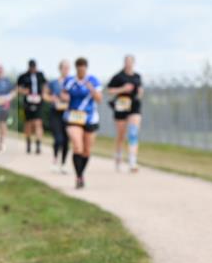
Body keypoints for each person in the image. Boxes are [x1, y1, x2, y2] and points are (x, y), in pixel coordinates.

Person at [61, 57, 102, 189]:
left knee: (87, 150)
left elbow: (99, 99)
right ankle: (78, 177)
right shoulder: (70, 81)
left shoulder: (93, 81)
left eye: (83, 68)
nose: (81, 70)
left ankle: (81, 173)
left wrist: (92, 89)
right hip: (73, 117)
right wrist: (64, 97)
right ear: (76, 68)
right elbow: (63, 95)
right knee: (77, 146)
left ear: (86, 68)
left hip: (90, 117)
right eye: (79, 68)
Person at [107, 54, 144, 172]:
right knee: (121, 135)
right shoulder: (118, 76)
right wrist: (122, 89)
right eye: (126, 61)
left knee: (133, 133)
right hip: (121, 106)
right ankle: (118, 156)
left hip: (134, 106)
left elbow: (140, 91)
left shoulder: (137, 76)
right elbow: (109, 90)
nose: (128, 63)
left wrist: (139, 92)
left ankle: (132, 161)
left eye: (130, 61)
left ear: (134, 63)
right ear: (124, 63)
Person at [44, 60, 71, 173]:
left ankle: (64, 163)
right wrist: (52, 99)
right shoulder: (54, 82)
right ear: (60, 69)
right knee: (58, 139)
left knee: (66, 140)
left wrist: (67, 98)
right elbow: (45, 94)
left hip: (68, 114)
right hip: (55, 113)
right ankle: (55, 160)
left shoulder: (72, 83)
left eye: (67, 68)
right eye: (64, 68)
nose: (65, 70)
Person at [17, 59, 47, 155]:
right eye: (31, 67)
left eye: (34, 67)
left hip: (38, 102)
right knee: (28, 124)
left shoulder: (40, 75)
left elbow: (46, 85)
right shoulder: (23, 76)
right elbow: (17, 88)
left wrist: (43, 93)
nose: (33, 69)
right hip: (27, 102)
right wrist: (23, 91)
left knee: (38, 123)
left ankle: (38, 144)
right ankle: (28, 142)